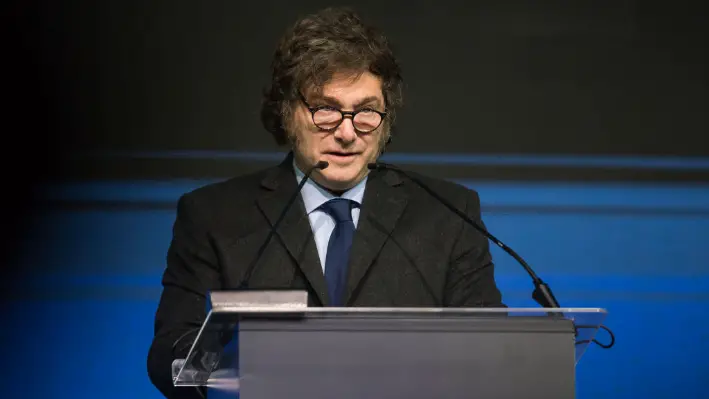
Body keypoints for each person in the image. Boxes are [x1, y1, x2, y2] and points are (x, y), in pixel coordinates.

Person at [147, 6, 504, 398]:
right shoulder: (213, 216)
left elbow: (493, 350)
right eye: (327, 110)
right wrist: (226, 365)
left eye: (366, 112)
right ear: (287, 111)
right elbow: (170, 354)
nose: (348, 133)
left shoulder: (448, 214)